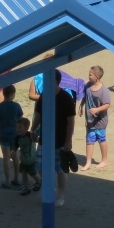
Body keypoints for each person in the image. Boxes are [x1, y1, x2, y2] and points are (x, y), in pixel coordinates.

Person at [30, 69, 77, 206]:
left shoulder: (66, 98)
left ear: (55, 80)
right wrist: (33, 129)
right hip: (44, 138)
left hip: (61, 140)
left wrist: (68, 141)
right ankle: (50, 189)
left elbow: (71, 121)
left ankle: (61, 194)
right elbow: (38, 114)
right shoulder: (44, 95)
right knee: (40, 166)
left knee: (60, 169)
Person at [0, 84, 23, 189]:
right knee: (15, 156)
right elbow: (21, 120)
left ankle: (7, 180)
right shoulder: (17, 106)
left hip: (3, 134)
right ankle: (16, 178)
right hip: (15, 134)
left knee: (6, 157)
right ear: (12, 94)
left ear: (3, 94)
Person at [80, 65, 111, 171]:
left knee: (102, 139)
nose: (88, 76)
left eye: (90, 74)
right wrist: (81, 106)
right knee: (89, 140)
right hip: (90, 120)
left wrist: (97, 110)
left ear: (97, 77)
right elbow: (85, 97)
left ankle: (104, 160)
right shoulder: (88, 86)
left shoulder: (104, 90)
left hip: (100, 121)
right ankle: (88, 162)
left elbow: (107, 104)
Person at [15, 117, 41, 196]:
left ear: (26, 127)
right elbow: (15, 145)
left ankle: (39, 181)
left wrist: (37, 139)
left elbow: (36, 140)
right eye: (17, 127)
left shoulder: (30, 135)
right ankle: (27, 188)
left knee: (32, 173)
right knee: (23, 174)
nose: (18, 129)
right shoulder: (18, 137)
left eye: (20, 127)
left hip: (32, 159)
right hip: (23, 159)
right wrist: (13, 151)